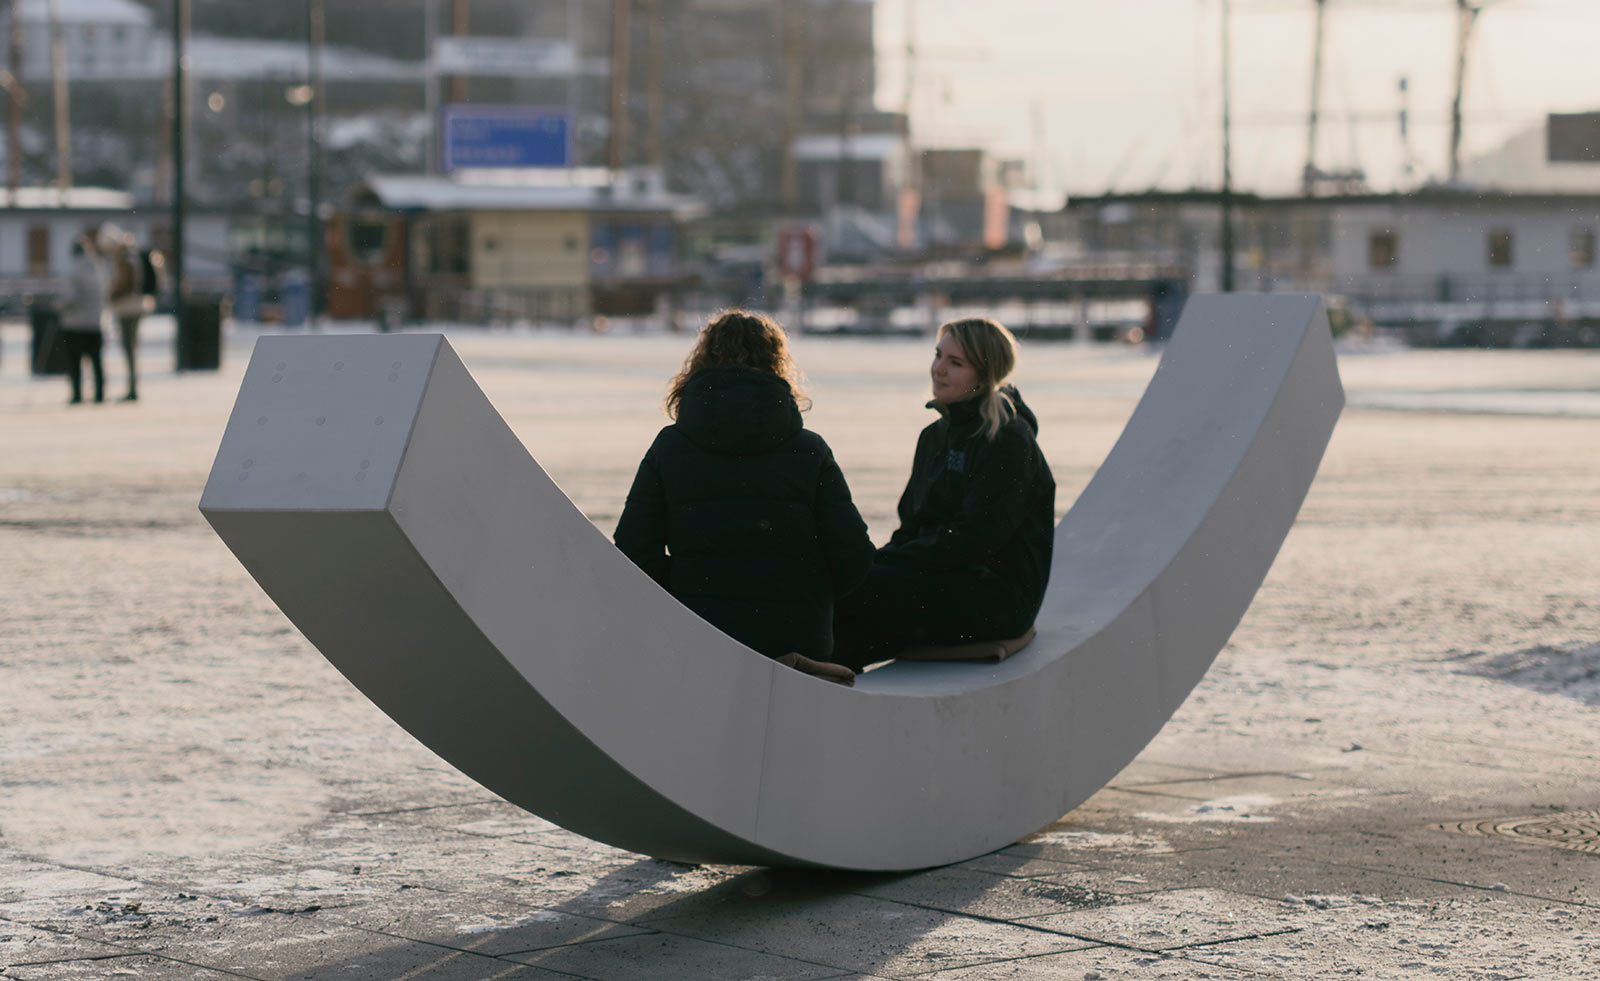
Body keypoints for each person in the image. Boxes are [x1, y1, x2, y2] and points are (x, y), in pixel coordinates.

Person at [613, 309, 874, 685]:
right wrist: (808, 591)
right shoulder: (809, 450)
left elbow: (633, 550)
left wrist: (690, 588)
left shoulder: (669, 448)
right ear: (775, 366)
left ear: (701, 363)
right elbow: (855, 556)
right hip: (797, 639)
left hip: (700, 634)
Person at [830, 317, 1056, 672]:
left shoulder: (1007, 441)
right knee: (838, 632)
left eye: (955, 363)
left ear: (984, 375)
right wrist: (876, 562)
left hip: (996, 597)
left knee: (849, 590)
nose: (938, 369)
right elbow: (912, 526)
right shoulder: (934, 437)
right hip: (940, 581)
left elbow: (975, 540)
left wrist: (878, 568)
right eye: (938, 355)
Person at [58, 235, 108, 405]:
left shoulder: (74, 270)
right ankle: (99, 393)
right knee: (96, 360)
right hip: (96, 321)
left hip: (75, 323)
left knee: (75, 361)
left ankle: (77, 394)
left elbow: (70, 298)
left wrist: (59, 307)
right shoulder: (99, 268)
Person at [103, 228, 147, 401]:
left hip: (127, 308)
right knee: (131, 348)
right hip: (136, 305)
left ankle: (132, 388)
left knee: (129, 348)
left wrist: (110, 296)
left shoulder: (125, 260)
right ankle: (133, 386)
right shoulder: (134, 257)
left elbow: (122, 285)